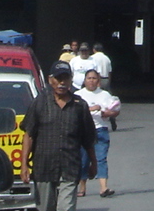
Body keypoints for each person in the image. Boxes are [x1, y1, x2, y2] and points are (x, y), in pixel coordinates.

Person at [20, 60, 97, 211]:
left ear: (71, 80)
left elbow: (88, 139)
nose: (62, 82)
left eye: (65, 78)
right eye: (58, 78)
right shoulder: (40, 103)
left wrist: (94, 163)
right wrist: (24, 165)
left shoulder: (79, 106)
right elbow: (29, 134)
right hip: (44, 168)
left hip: (70, 168)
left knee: (66, 208)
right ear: (50, 80)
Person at [74, 68, 120, 198]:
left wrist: (108, 113)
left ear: (98, 81)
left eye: (94, 78)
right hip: (83, 132)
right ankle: (82, 187)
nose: (91, 81)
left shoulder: (105, 95)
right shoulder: (78, 95)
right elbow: (74, 112)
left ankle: (103, 188)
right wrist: (92, 108)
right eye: (89, 78)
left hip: (100, 130)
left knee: (101, 159)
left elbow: (115, 110)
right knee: (83, 160)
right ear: (84, 80)